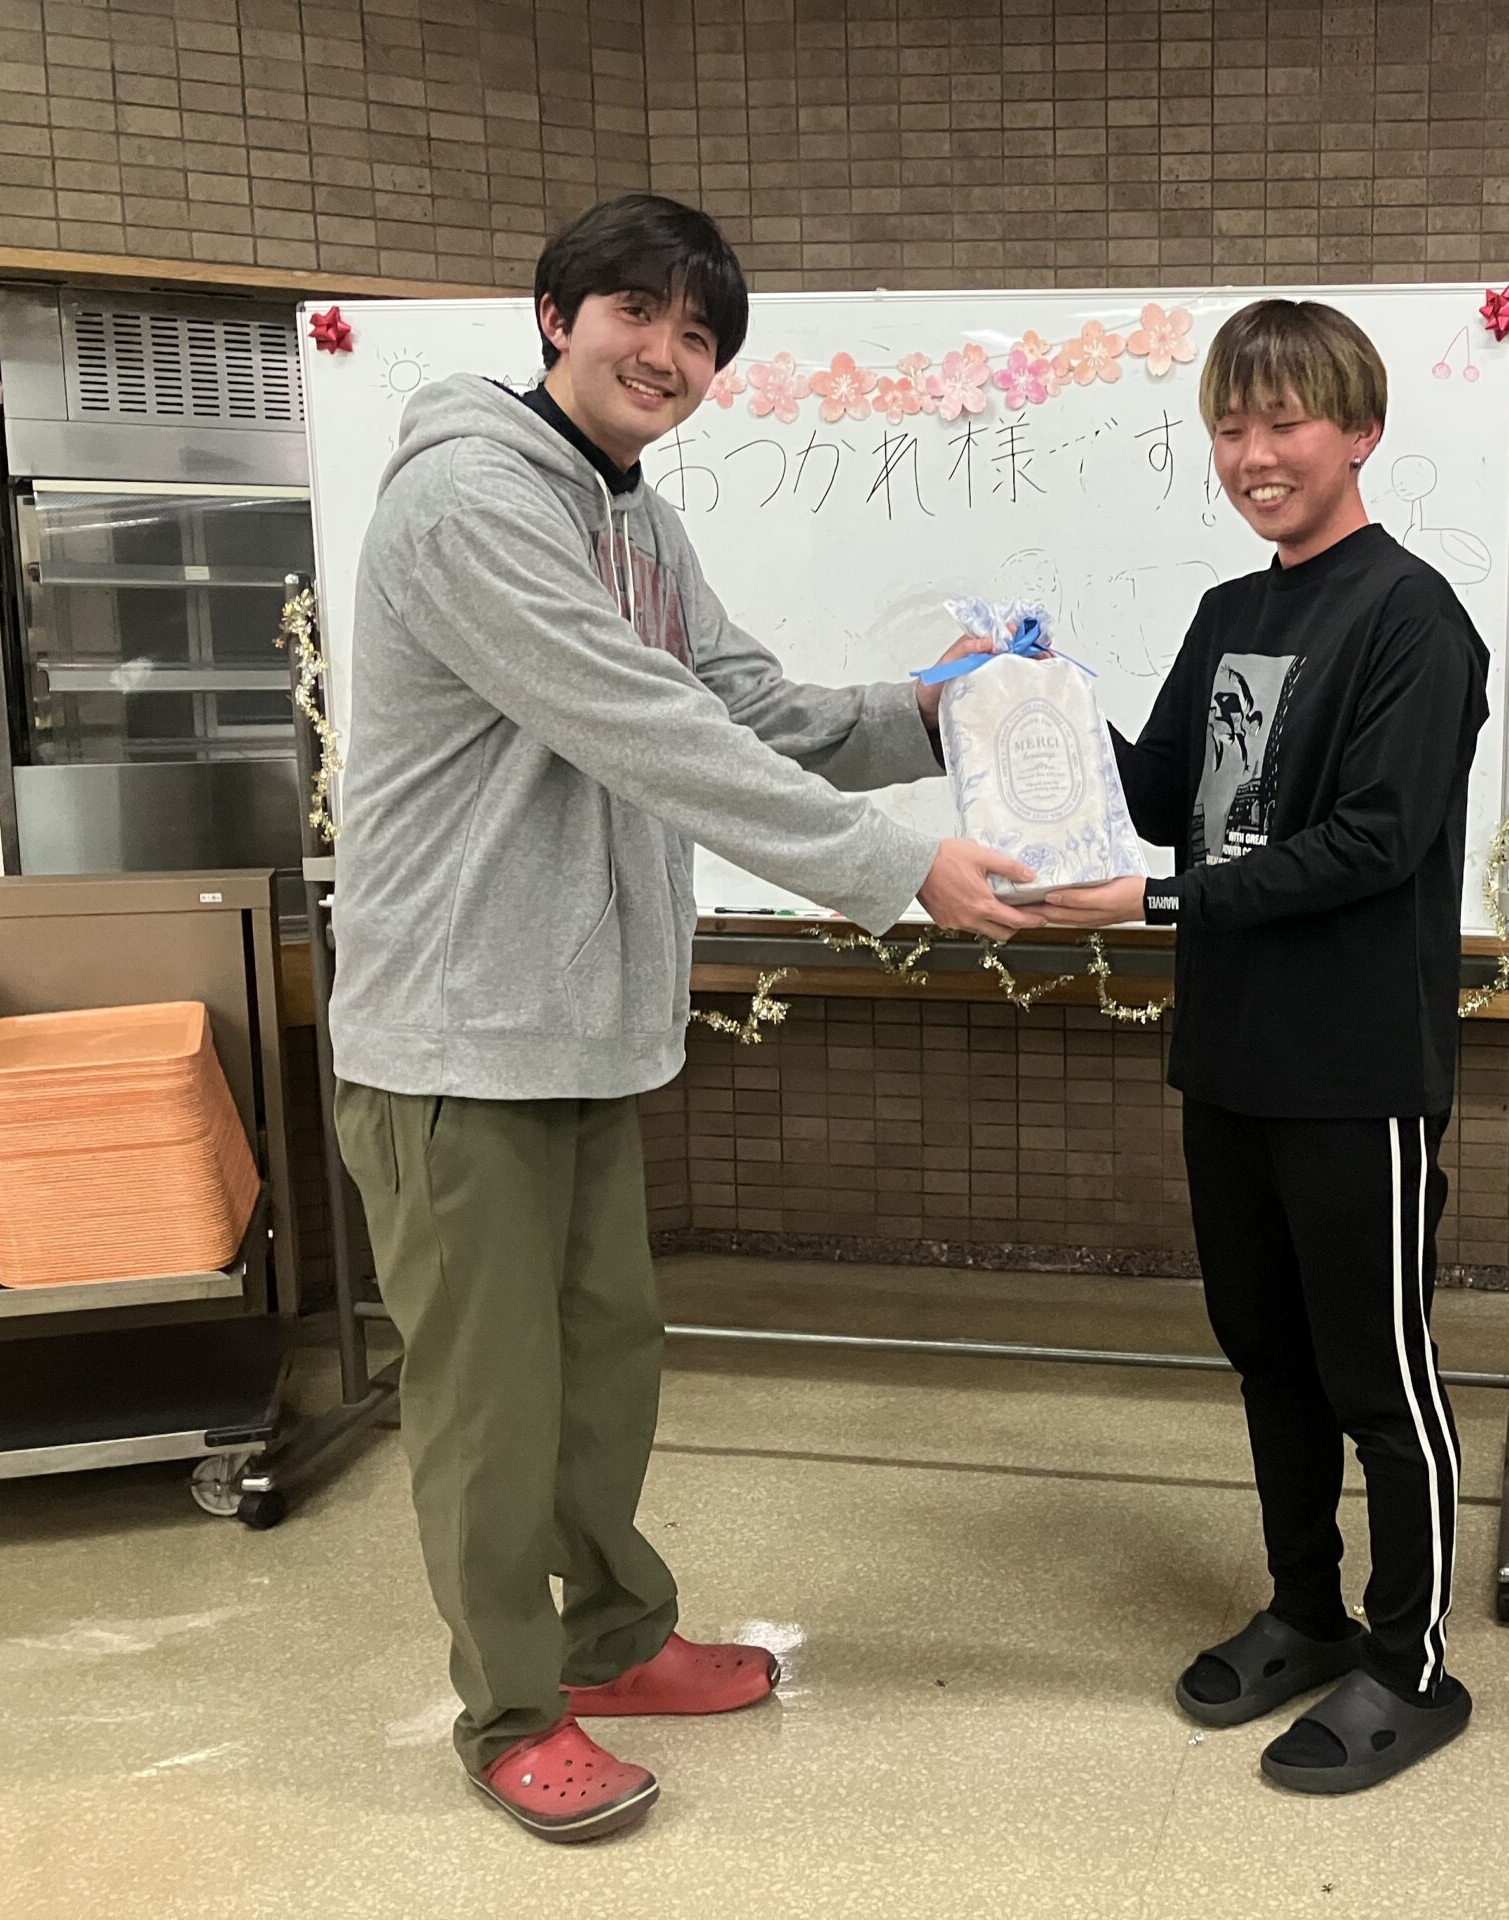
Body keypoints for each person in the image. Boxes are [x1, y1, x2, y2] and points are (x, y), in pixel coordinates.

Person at [328, 192, 1039, 1843]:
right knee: (492, 1404)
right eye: (636, 313)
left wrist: (940, 710)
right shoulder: (468, 499)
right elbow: (640, 722)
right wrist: (893, 867)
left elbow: (748, 704)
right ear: (556, 317)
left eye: (700, 334)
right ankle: (513, 1710)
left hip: (580, 1027)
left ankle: (615, 1639)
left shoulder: (632, 517)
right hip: (456, 1036)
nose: (667, 352)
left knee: (602, 1370)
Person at [1042, 299, 1489, 1793]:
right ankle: (1307, 1610)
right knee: (1267, 1359)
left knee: (1378, 1375)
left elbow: (1376, 841)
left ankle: (1410, 1663)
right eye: (1231, 427)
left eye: (1285, 422)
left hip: (1356, 1071)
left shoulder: (1413, 617)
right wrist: (1027, 701)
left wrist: (1155, 900)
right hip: (1230, 1057)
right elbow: (1160, 793)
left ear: (1360, 431)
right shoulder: (1232, 611)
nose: (1255, 455)